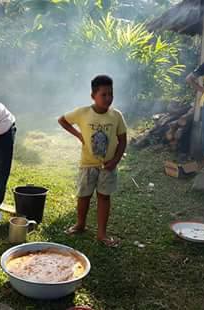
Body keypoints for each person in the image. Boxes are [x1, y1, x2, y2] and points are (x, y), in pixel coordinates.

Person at [58, 75, 127, 248]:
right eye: (103, 94)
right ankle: (80, 225)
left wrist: (116, 161)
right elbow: (62, 120)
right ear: (93, 96)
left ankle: (101, 233)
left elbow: (123, 140)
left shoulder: (116, 116)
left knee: (104, 197)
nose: (108, 98)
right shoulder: (83, 113)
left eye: (111, 94)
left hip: (108, 166)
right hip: (87, 164)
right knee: (84, 196)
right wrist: (79, 135)